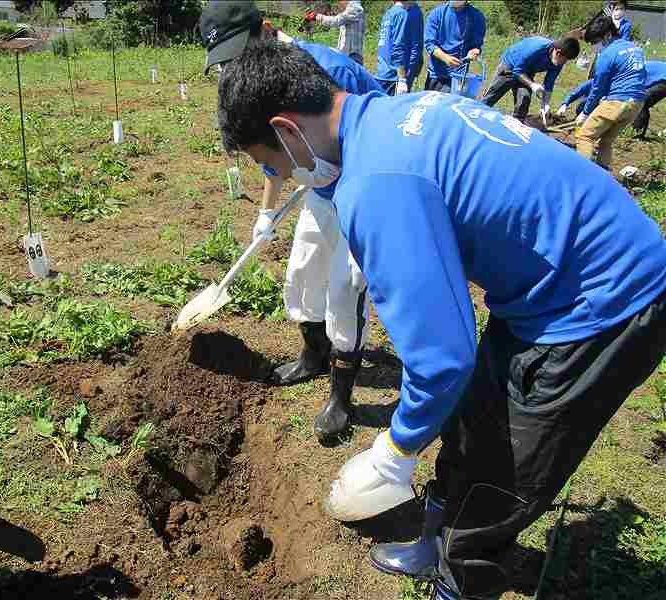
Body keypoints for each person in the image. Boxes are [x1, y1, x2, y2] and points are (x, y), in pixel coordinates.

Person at [217, 39, 666, 600]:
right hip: (545, 282)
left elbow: (442, 359)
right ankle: (433, 537)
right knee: (475, 415)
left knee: (505, 472)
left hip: (600, 302)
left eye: (270, 162)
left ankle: (460, 582)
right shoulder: (386, 113)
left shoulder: (379, 186)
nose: (277, 173)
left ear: (288, 130)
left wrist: (394, 452)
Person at [200, 0, 385, 441]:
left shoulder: (325, 67)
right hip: (319, 190)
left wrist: (349, 181)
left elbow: (373, 125)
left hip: (359, 190)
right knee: (302, 273)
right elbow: (271, 157)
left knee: (344, 289)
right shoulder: (250, 81)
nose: (235, 66)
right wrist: (266, 213)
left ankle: (341, 397)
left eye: (239, 52)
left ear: (265, 30)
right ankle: (313, 355)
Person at [575, 15, 647, 169]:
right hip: (637, 103)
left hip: (618, 100)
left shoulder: (606, 54)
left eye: (595, 42)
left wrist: (585, 112)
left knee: (585, 136)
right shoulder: (635, 48)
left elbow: (597, 88)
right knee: (606, 140)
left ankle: (584, 177)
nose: (594, 47)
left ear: (607, 35)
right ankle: (603, 174)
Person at [481, 36, 580, 123]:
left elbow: (549, 82)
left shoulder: (558, 62)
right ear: (558, 53)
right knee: (492, 95)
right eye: (565, 59)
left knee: (524, 98)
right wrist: (532, 85)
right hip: (510, 66)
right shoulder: (537, 48)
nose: (565, 63)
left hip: (527, 72)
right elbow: (517, 71)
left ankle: (516, 125)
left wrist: (545, 104)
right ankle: (477, 115)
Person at [559, 60, 666, 139]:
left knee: (642, 100)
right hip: (654, 76)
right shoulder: (596, 82)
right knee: (638, 100)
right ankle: (635, 129)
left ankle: (636, 133)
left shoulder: (607, 83)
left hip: (662, 78)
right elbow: (575, 93)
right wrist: (565, 104)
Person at [423, 0, 486, 92]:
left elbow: (476, 45)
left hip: (458, 77)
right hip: (436, 74)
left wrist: (474, 52)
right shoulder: (437, 14)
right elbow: (429, 44)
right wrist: (445, 58)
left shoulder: (476, 16)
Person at [374, 1, 424, 95]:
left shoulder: (389, 13)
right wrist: (402, 78)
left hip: (382, 73)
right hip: (394, 76)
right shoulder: (402, 14)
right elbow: (397, 46)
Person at [309, 1, 365, 65]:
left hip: (352, 56)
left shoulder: (355, 9)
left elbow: (337, 21)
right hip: (347, 54)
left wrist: (317, 16)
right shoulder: (352, 9)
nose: (340, 2)